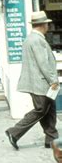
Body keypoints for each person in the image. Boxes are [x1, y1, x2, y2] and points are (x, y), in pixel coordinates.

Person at [5, 11, 59, 150]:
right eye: (47, 24)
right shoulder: (37, 40)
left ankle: (52, 139)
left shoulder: (32, 38)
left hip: (38, 81)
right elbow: (43, 63)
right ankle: (15, 132)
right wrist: (53, 80)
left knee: (49, 110)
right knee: (41, 109)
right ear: (43, 25)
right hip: (41, 83)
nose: (48, 26)